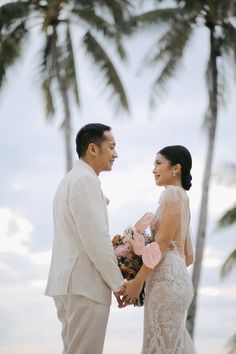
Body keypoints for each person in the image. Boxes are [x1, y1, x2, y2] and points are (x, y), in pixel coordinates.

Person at [45, 123, 124, 354]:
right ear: (92, 148)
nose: (115, 154)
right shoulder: (84, 181)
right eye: (111, 147)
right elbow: (95, 239)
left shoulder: (69, 180)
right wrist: (118, 283)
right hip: (84, 285)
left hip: (69, 283)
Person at [122, 145, 197, 354]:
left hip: (166, 282)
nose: (153, 170)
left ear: (176, 168)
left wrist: (138, 282)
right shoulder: (182, 197)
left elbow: (162, 246)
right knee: (173, 345)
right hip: (177, 280)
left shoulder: (171, 194)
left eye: (158, 163)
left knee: (160, 347)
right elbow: (189, 256)